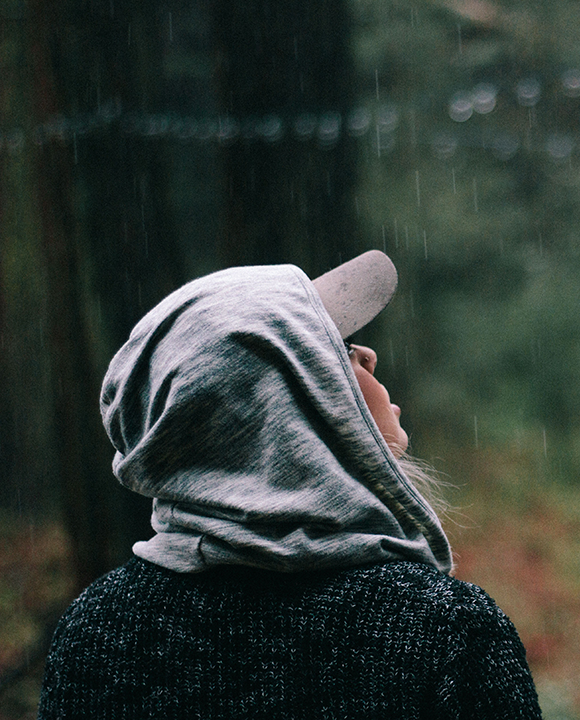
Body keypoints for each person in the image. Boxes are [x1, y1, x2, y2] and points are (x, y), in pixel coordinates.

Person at [38, 250, 542, 719]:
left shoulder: (100, 628)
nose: (367, 355)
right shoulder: (447, 632)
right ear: (288, 406)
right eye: (337, 350)